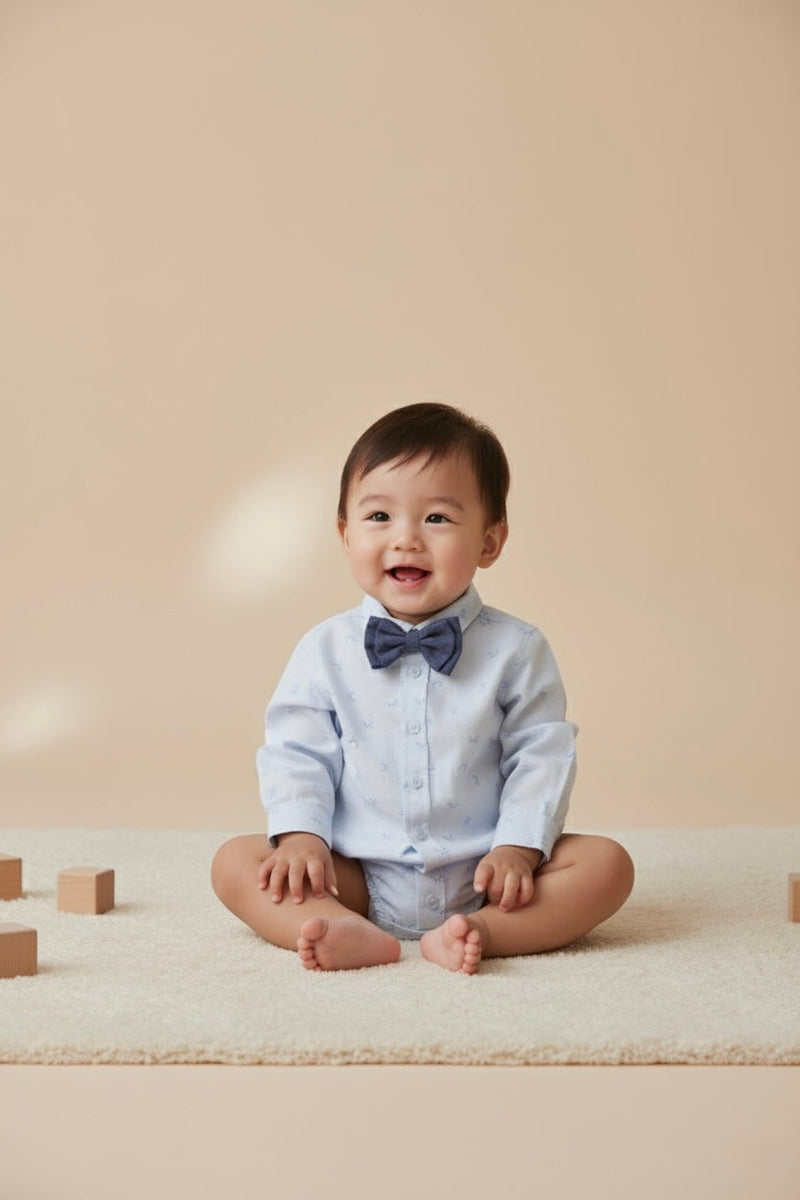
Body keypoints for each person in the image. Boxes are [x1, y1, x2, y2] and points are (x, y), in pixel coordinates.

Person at [211, 403, 634, 973]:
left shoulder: (517, 648)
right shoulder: (323, 649)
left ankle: (482, 931)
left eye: (436, 519)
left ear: (489, 541)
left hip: (491, 871)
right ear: (345, 535)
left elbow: (542, 753)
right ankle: (344, 928)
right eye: (379, 517)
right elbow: (297, 750)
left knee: (608, 866)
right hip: (356, 871)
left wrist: (519, 847)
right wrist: (301, 837)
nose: (406, 539)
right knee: (235, 862)